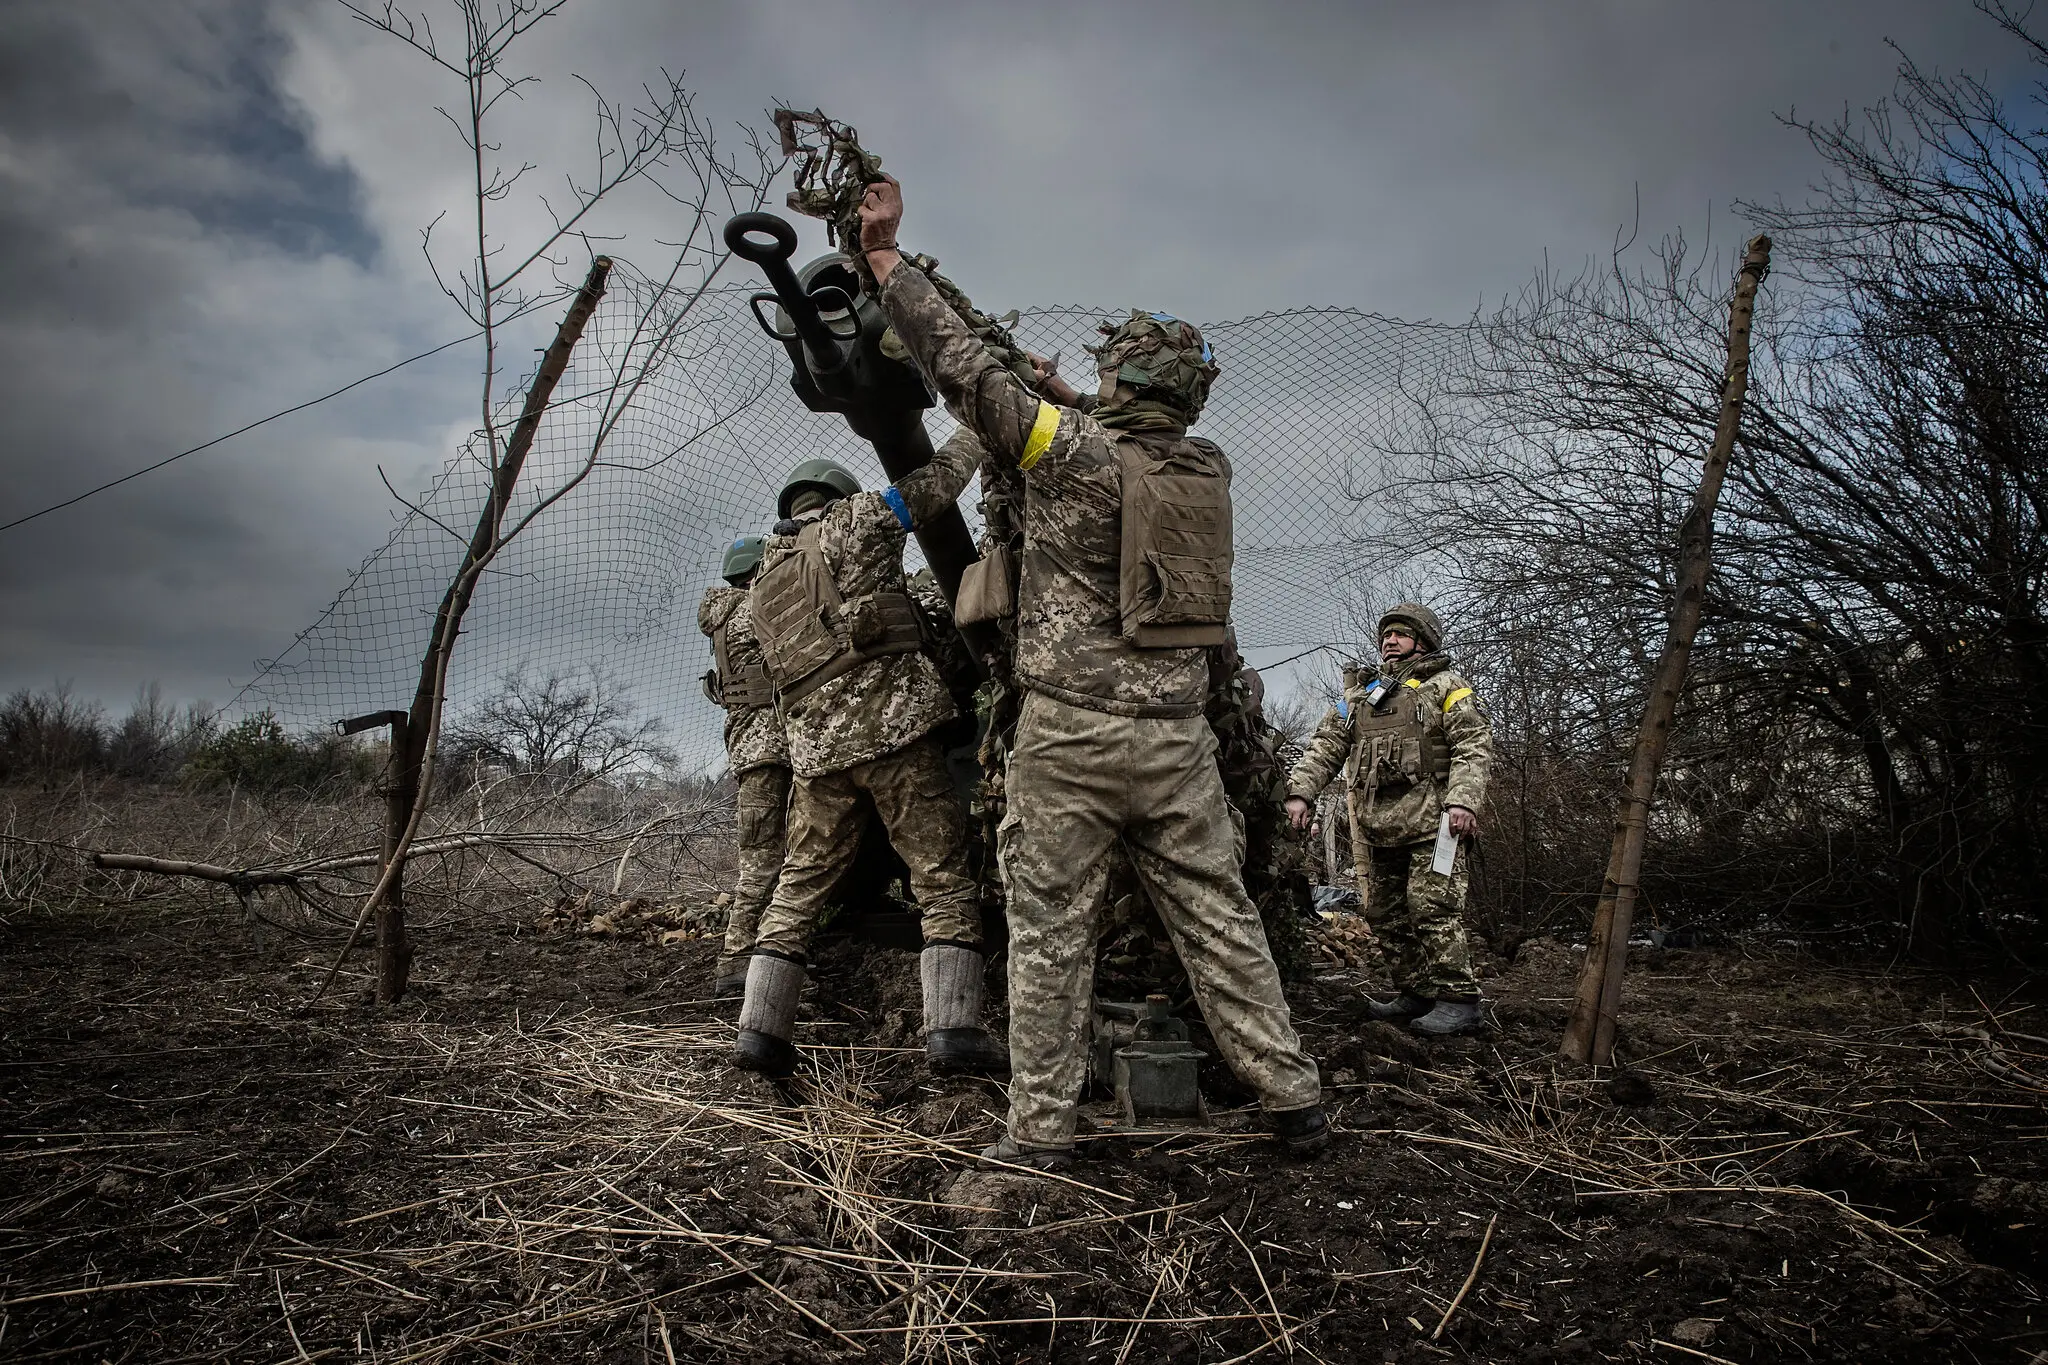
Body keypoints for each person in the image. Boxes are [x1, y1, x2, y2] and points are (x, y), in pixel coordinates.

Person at [859, 173, 1328, 1171]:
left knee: (1046, 935)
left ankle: (1039, 1131)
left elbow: (959, 372)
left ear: (1119, 382)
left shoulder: (1062, 454)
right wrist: (1077, 399)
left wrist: (887, 259)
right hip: (1175, 742)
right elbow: (1117, 441)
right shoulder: (1205, 469)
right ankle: (1292, 1101)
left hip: (1067, 737)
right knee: (1218, 922)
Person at [732, 438, 1008, 1079]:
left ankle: (759, 1032)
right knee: (942, 879)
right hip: (894, 736)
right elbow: (935, 488)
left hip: (816, 757)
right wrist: (974, 424)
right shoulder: (854, 519)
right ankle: (954, 1031)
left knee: (798, 888)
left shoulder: (764, 578)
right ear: (836, 494)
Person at [1285, 605, 1495, 1035]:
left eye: (1400, 634)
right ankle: (1415, 993)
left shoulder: (1446, 688)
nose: (1389, 641)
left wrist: (1463, 802)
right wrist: (1300, 793)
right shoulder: (1362, 697)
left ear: (1423, 641)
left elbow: (1474, 743)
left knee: (1432, 910)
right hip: (1380, 829)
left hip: (1436, 827)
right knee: (1385, 914)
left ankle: (1460, 1000)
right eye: (1386, 636)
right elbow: (1325, 746)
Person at [698, 534, 791, 998]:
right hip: (772, 747)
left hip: (750, 751)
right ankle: (737, 960)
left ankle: (744, 957)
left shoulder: (721, 618)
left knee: (763, 855)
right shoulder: (752, 612)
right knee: (763, 861)